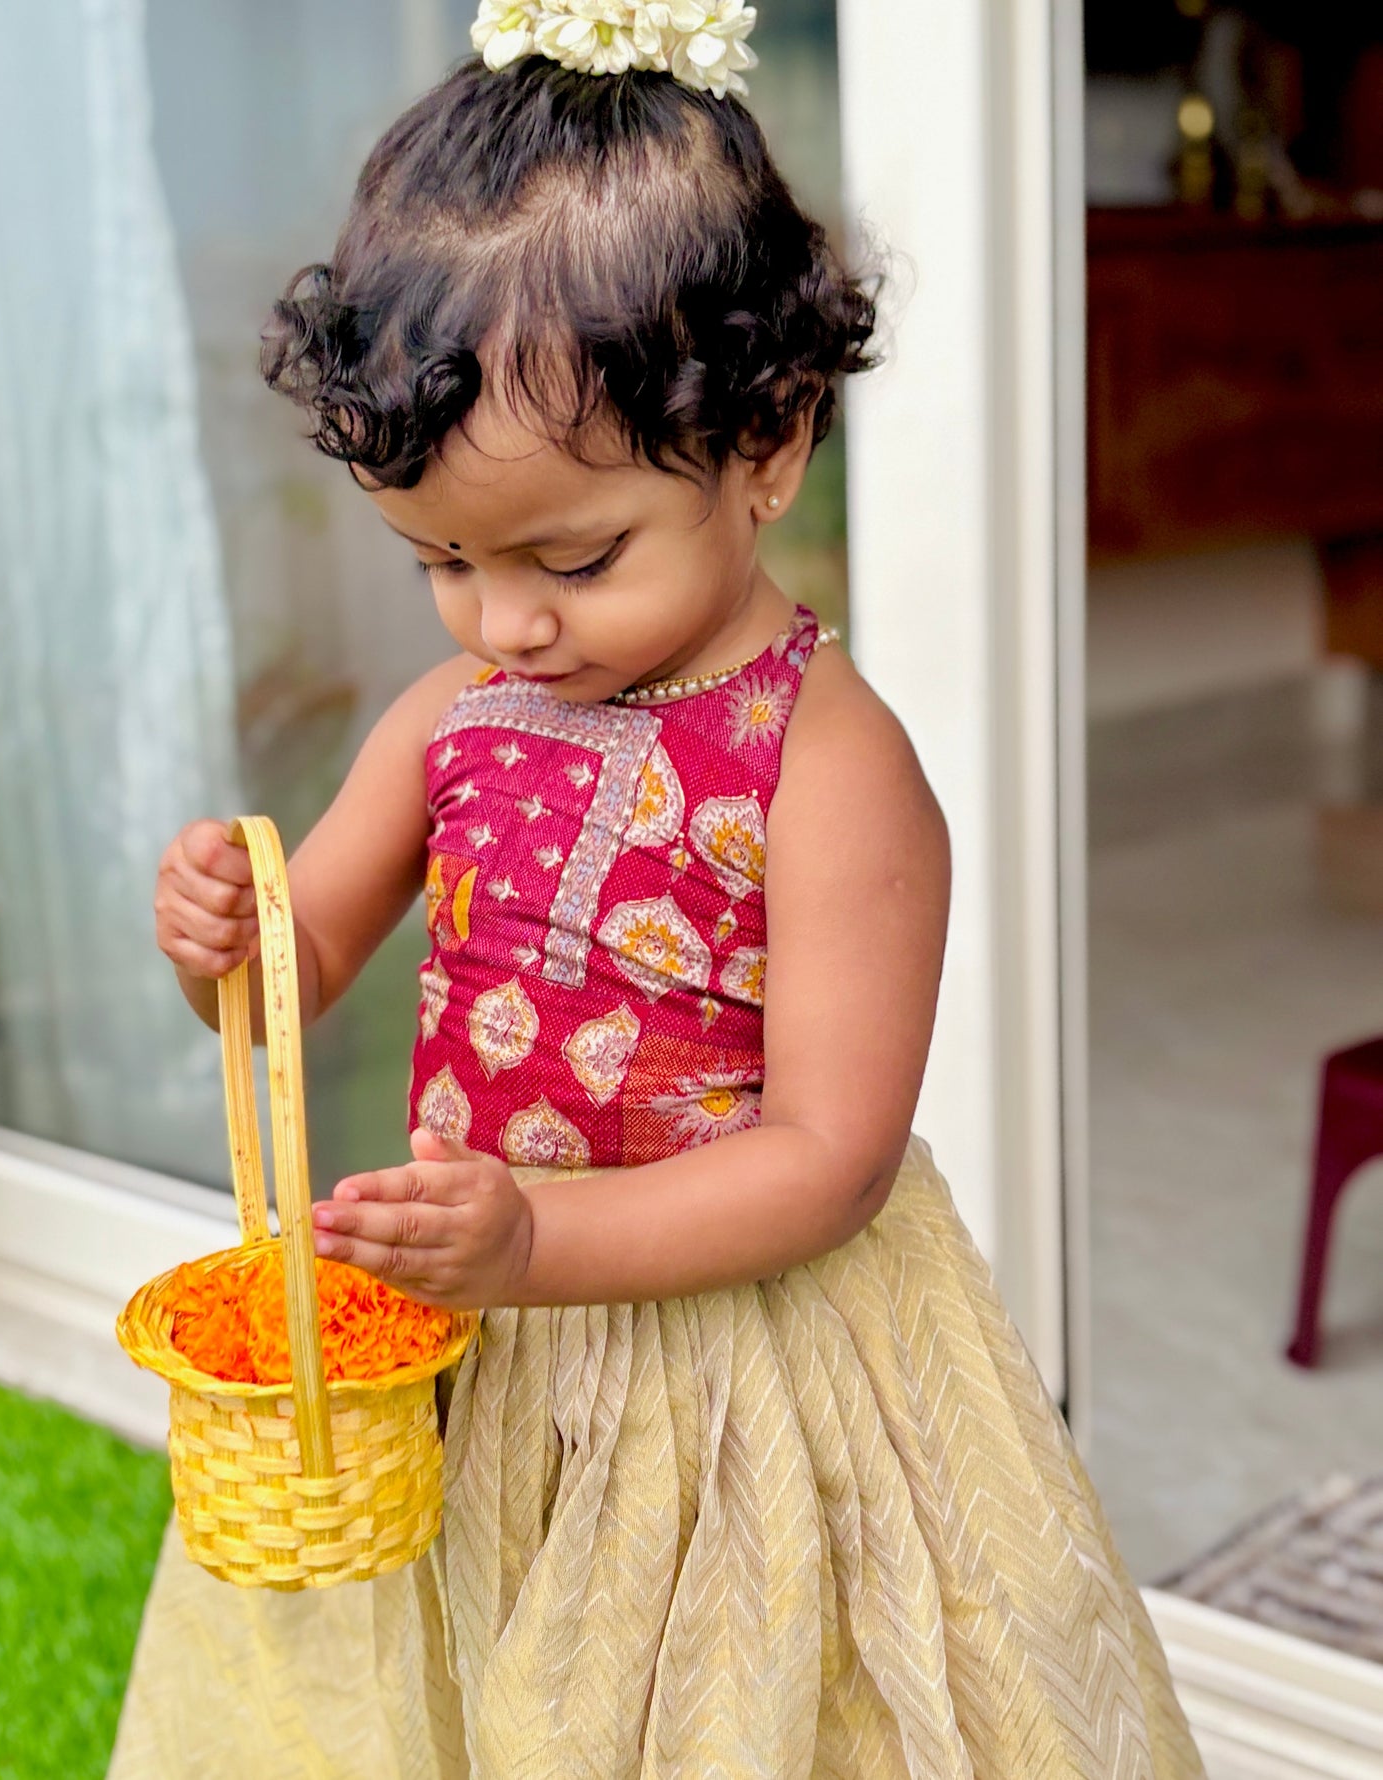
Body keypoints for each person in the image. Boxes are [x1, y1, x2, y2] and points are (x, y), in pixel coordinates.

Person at [113, 9, 1205, 1776]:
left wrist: (543, 1242)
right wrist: (229, 939)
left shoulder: (827, 770)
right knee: (472, 1697)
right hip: (466, 1356)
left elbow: (830, 1158)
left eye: (573, 556)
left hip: (736, 1387)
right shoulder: (458, 718)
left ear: (769, 442)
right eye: (443, 562)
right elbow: (292, 973)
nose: (506, 623)